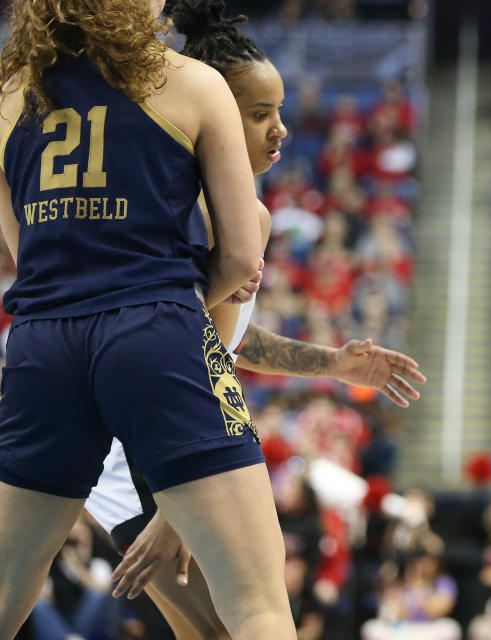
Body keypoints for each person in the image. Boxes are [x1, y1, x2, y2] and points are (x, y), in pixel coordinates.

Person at [78, 0, 425, 636]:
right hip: (149, 450)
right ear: (210, 113)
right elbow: (180, 351)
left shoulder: (199, 200)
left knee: (208, 630)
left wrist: (329, 363)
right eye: (260, 114)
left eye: (281, 112)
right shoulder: (222, 216)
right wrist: (177, 509)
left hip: (142, 440)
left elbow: (212, 338)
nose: (281, 130)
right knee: (248, 623)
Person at [0, 0, 299, 637]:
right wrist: (175, 302)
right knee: (255, 605)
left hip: (41, 346)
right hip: (156, 329)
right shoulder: (190, 82)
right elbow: (243, 256)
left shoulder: (7, 98)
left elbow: (28, 259)